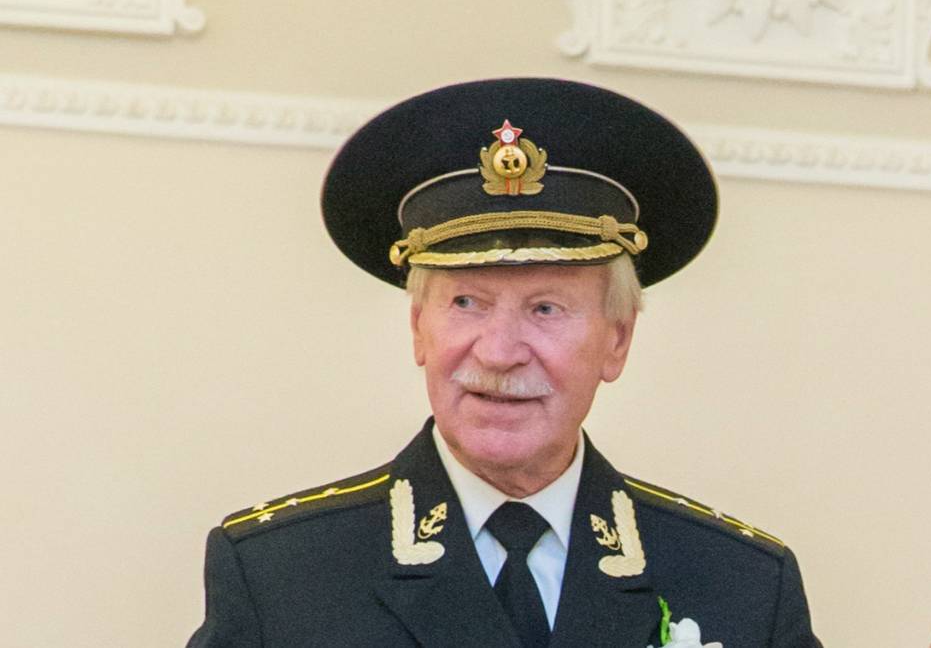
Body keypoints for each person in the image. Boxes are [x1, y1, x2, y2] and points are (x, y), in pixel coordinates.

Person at [187, 78, 822, 647]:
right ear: (418, 329)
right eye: (466, 302)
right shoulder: (279, 573)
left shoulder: (739, 583)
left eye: (546, 309)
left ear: (618, 340)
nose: (498, 352)